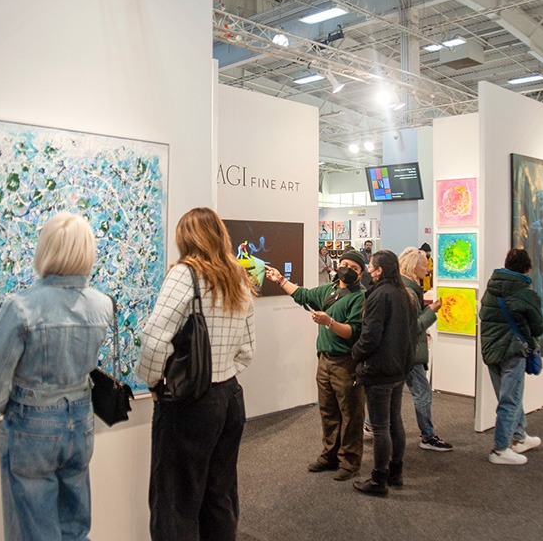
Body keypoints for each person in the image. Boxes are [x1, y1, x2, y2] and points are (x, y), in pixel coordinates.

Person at [0, 211, 114, 540]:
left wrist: (19, 403)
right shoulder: (102, 305)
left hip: (33, 424)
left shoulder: (21, 307)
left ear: (46, 249)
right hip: (80, 421)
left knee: (35, 531)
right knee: (75, 529)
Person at [137, 207, 256, 541]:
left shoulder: (184, 274)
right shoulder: (238, 276)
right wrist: (222, 372)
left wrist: (153, 382)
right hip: (230, 397)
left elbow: (154, 337)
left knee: (176, 500)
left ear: (185, 237)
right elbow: (248, 348)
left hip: (190, 400)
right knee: (220, 494)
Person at [265, 250, 367, 482]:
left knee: (351, 414)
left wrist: (329, 322)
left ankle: (350, 462)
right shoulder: (329, 290)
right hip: (324, 360)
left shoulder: (360, 297)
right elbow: (303, 295)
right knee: (328, 410)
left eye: (354, 268)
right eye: (344, 264)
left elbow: (353, 332)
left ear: (361, 273)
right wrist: (280, 280)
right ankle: (330, 455)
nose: (347, 270)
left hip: (346, 362)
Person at [351, 250, 417, 495]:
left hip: (379, 369)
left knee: (380, 426)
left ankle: (379, 479)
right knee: (394, 422)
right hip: (398, 368)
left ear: (379, 270)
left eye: (371, 266)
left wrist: (356, 353)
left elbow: (371, 335)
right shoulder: (404, 293)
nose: (368, 270)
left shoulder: (380, 295)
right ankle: (395, 473)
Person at [479, 248, 543, 466]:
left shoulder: (491, 289)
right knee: (510, 399)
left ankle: (520, 436)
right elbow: (538, 328)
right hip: (513, 351)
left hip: (491, 350)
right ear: (527, 269)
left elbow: (484, 317)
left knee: (509, 396)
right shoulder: (525, 293)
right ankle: (500, 450)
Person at [397, 247, 453, 452]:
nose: (428, 270)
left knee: (392, 391)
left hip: (403, 351)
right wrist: (431, 311)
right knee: (422, 392)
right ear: (413, 267)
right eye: (424, 265)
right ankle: (428, 436)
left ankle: (370, 425)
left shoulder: (404, 288)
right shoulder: (409, 292)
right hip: (411, 352)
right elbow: (412, 328)